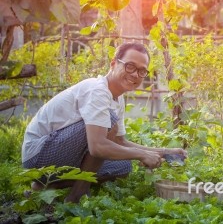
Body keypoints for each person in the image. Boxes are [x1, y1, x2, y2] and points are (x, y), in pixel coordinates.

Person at [22, 42, 186, 203]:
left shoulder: (118, 98)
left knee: (122, 166)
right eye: (130, 66)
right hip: (38, 155)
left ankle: (46, 186)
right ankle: (75, 197)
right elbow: (98, 146)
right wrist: (142, 154)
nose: (136, 74)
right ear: (113, 63)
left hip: (60, 155)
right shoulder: (97, 90)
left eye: (142, 70)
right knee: (109, 126)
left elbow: (120, 141)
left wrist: (164, 151)